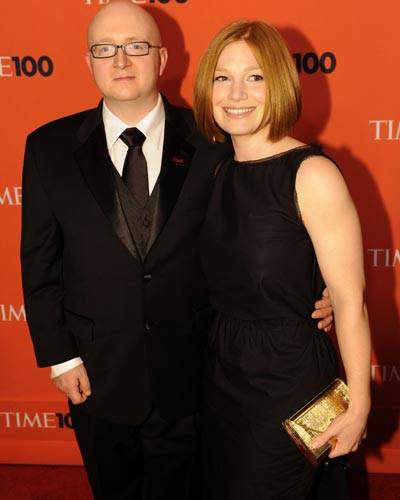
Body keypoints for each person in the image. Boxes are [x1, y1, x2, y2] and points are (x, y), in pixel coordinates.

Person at [20, 2, 333, 499]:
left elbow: (268, 219)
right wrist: (60, 357)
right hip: (96, 373)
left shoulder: (215, 138)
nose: (121, 60)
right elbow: (39, 262)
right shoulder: (47, 147)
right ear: (88, 61)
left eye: (136, 46)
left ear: (162, 59)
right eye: (105, 49)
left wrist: (322, 289)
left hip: (195, 370)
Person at [193, 20, 371, 500]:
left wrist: (358, 406)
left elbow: (349, 302)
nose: (236, 93)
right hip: (222, 374)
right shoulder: (216, 171)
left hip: (291, 384)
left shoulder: (312, 174)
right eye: (223, 77)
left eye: (255, 77)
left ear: (280, 84)